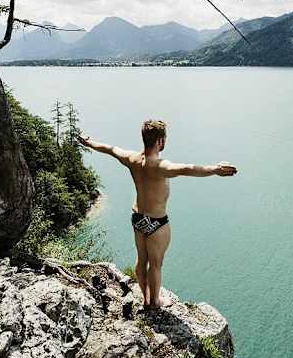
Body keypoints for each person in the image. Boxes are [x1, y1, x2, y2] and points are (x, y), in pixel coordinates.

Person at [79, 119, 237, 310]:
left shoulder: (132, 159)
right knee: (155, 265)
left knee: (141, 259)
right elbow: (188, 169)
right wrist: (215, 170)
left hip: (137, 218)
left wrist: (89, 142)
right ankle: (154, 303)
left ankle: (145, 297)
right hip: (157, 223)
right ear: (160, 141)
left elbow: (111, 149)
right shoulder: (161, 166)